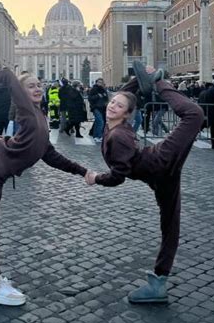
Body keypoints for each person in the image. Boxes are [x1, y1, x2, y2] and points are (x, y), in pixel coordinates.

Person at [0, 50, 88, 306]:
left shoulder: (40, 116)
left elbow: (50, 154)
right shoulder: (28, 113)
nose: (38, 88)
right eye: (31, 86)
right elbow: (10, 77)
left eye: (39, 84)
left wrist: (83, 171)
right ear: (21, 93)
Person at [85, 61, 204, 303]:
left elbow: (118, 176)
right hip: (159, 174)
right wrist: (139, 80)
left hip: (159, 163)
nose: (113, 105)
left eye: (119, 106)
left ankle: (161, 81)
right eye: (112, 102)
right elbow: (126, 97)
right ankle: (159, 281)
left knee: (195, 114)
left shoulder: (118, 134)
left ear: (127, 114)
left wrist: (96, 178)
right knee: (170, 224)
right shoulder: (115, 125)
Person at [88, 78, 108, 143]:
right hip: (96, 107)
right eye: (99, 82)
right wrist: (97, 96)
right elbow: (90, 98)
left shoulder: (104, 90)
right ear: (96, 82)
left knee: (97, 122)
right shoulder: (93, 89)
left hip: (102, 108)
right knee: (100, 122)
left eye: (101, 82)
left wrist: (105, 98)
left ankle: (96, 136)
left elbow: (106, 98)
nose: (100, 83)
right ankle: (98, 136)